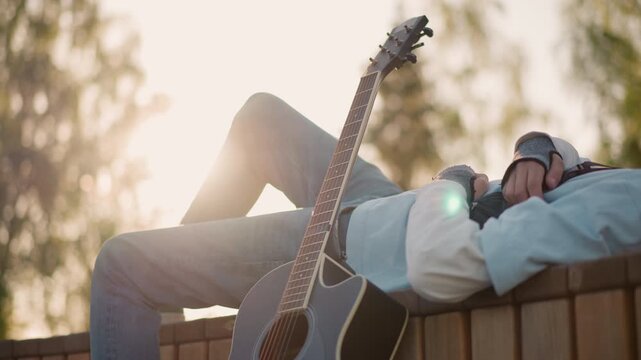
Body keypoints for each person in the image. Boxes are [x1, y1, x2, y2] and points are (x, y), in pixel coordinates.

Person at [89, 92, 641, 359]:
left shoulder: (622, 215)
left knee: (120, 268)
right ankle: (176, 291)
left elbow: (446, 265)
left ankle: (160, 286)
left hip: (345, 254)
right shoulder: (629, 189)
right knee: (260, 119)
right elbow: (573, 163)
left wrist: (449, 182)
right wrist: (540, 150)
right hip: (387, 207)